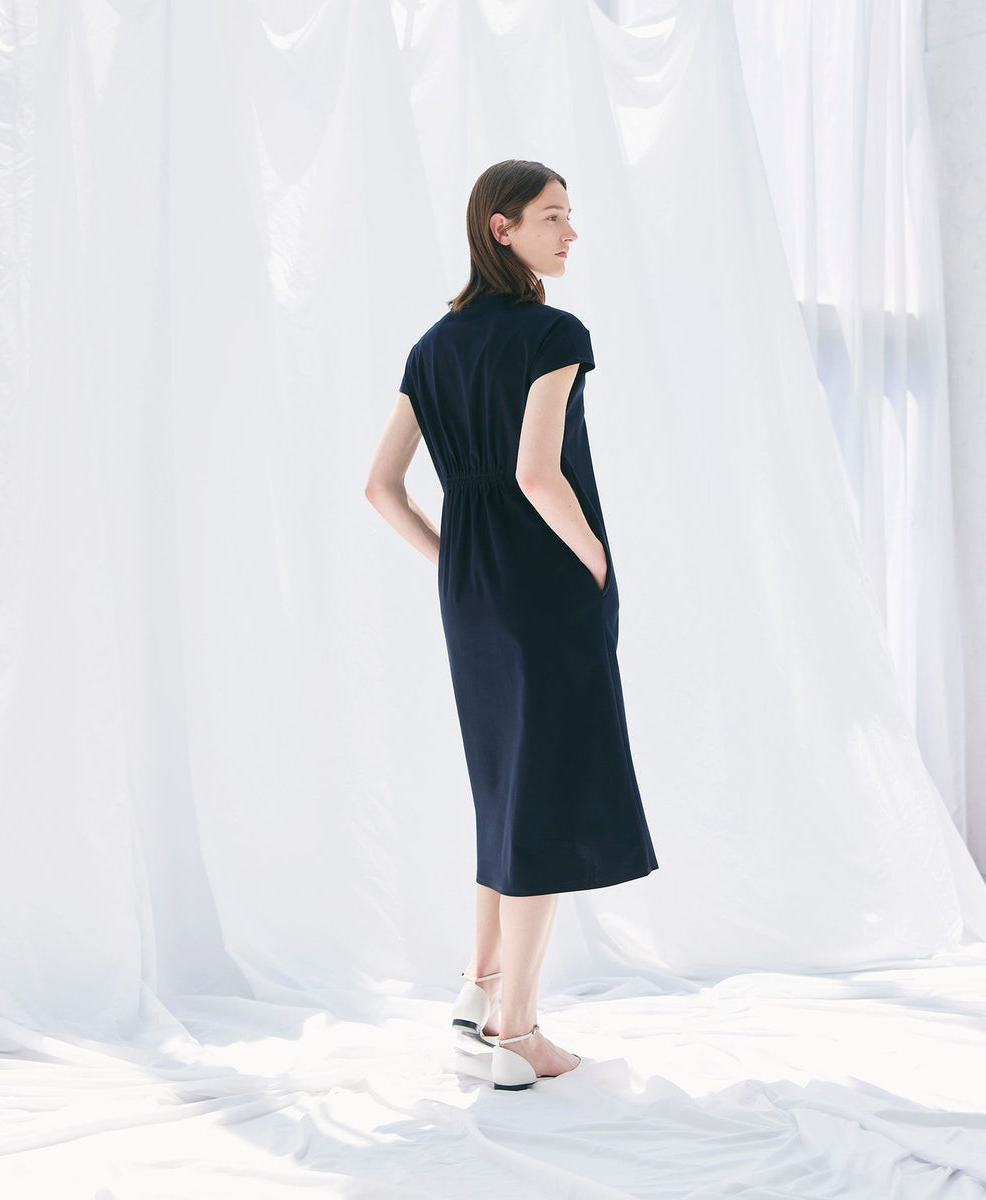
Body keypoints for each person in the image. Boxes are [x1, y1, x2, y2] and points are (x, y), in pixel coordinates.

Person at [365, 160, 658, 1089]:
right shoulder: (554, 332)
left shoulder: (431, 347)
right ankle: (515, 1034)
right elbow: (538, 472)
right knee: (543, 800)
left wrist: (452, 562)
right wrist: (595, 557)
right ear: (502, 228)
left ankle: (480, 982)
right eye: (553, 217)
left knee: (504, 785)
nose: (570, 234)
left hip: (473, 594)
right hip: (546, 587)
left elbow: (380, 488)